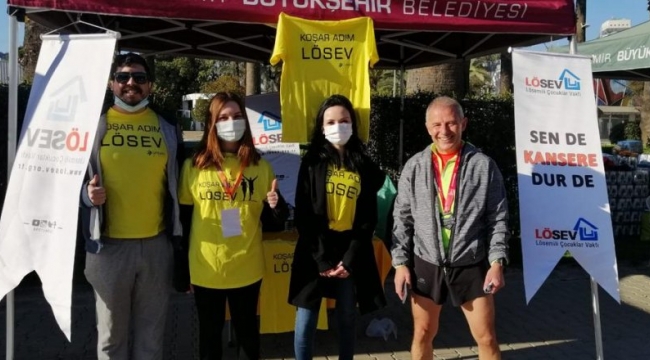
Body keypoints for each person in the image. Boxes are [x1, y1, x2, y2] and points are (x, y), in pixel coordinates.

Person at [80, 52, 184, 360]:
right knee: (111, 338)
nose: (131, 83)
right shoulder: (93, 128)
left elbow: (177, 185)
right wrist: (86, 197)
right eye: (123, 77)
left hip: (156, 246)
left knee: (151, 338)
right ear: (112, 83)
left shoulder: (167, 128)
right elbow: (68, 182)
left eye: (139, 78)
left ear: (150, 86)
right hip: (107, 249)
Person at [391, 96, 510, 360]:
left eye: (451, 123)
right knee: (422, 332)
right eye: (437, 124)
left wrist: (496, 261)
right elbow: (402, 219)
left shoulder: (483, 165)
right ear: (427, 127)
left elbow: (497, 217)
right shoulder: (414, 166)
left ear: (463, 123)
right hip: (426, 262)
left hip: (471, 263)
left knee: (487, 338)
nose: (444, 131)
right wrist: (400, 264)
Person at [177, 92, 288, 360]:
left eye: (237, 116)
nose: (231, 122)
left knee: (249, 340)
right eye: (223, 117)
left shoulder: (260, 167)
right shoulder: (194, 165)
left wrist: (277, 207)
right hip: (206, 269)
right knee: (209, 340)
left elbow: (274, 223)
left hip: (247, 269)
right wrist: (181, 266)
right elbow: (183, 219)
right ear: (212, 124)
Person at [288, 94, 387, 360]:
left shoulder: (363, 165)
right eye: (330, 121)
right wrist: (321, 260)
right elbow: (304, 214)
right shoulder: (312, 162)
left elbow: (367, 218)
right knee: (306, 319)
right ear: (321, 126)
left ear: (353, 124)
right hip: (315, 248)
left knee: (346, 316)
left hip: (349, 251)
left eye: (344, 120)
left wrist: (350, 258)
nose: (337, 126)